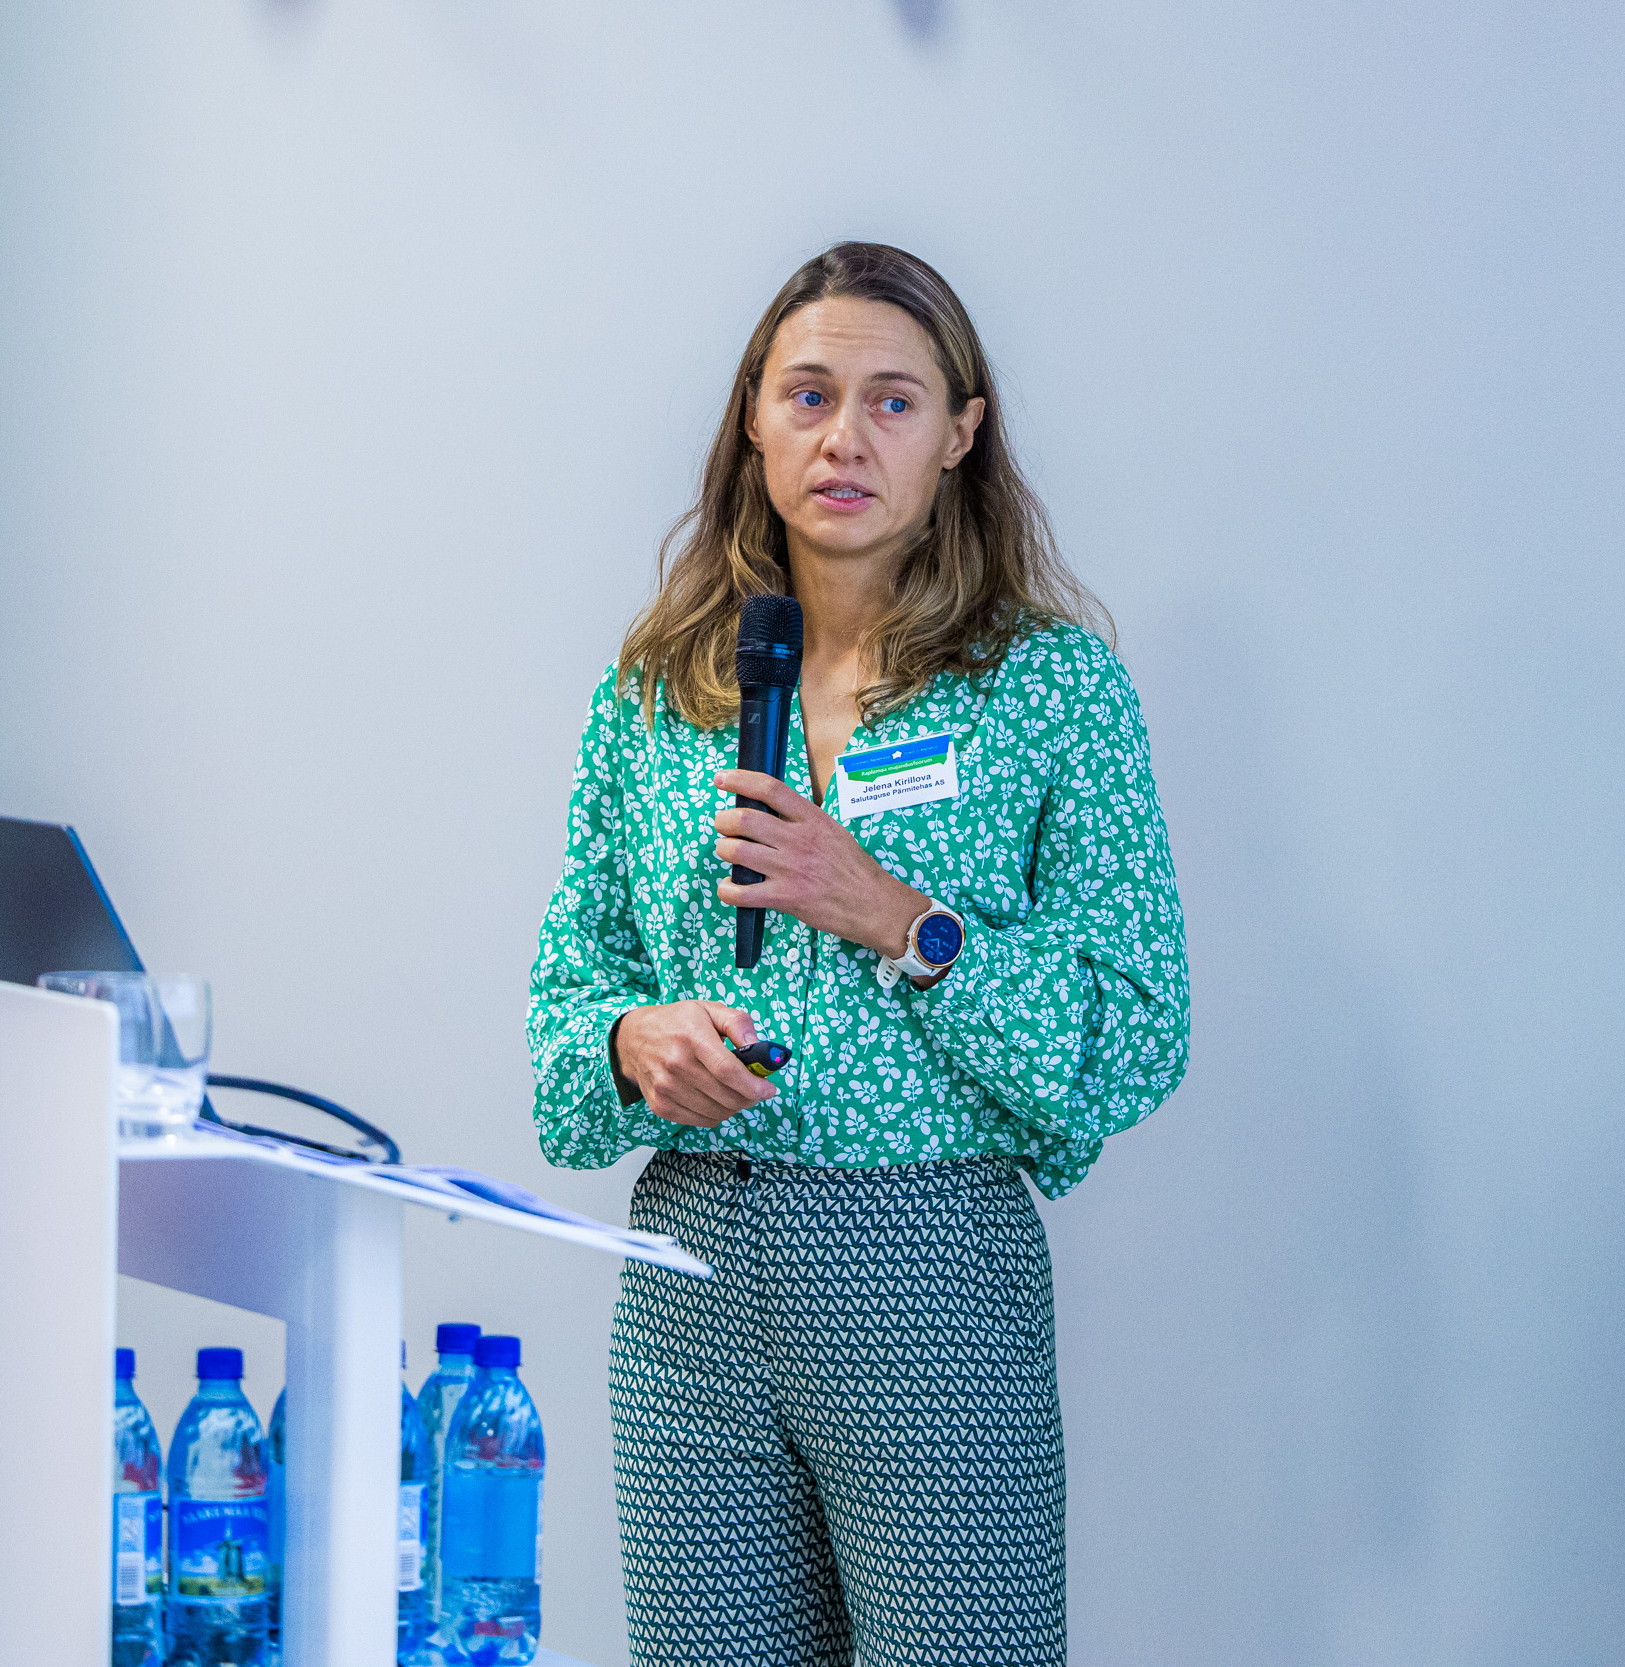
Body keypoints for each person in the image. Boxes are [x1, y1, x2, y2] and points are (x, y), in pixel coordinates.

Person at [526, 241, 1190, 1666]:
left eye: (893, 401)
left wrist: (896, 916)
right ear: (753, 421)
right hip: (692, 1276)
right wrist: (633, 1045)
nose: (844, 437)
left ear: (961, 433)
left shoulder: (1050, 691)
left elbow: (1132, 1039)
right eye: (809, 394)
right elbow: (566, 1008)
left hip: (928, 1269)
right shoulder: (654, 695)